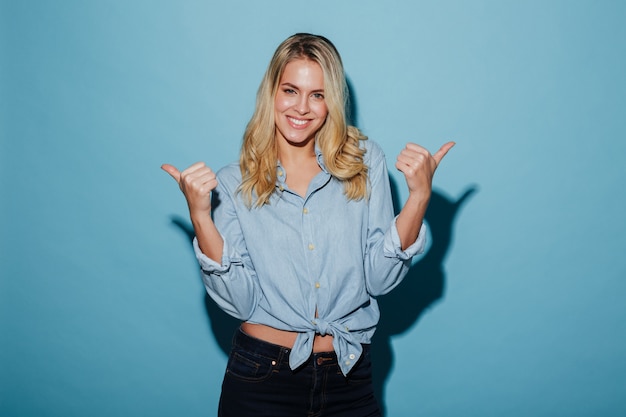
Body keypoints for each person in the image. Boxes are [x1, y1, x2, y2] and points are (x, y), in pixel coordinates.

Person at [162, 33, 454, 417]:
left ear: (332, 100)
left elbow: (380, 281)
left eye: (317, 94)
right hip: (261, 380)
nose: (302, 107)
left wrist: (418, 199)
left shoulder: (365, 162)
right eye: (290, 90)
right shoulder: (234, 182)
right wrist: (201, 216)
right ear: (272, 92)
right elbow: (240, 302)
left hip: (349, 377)